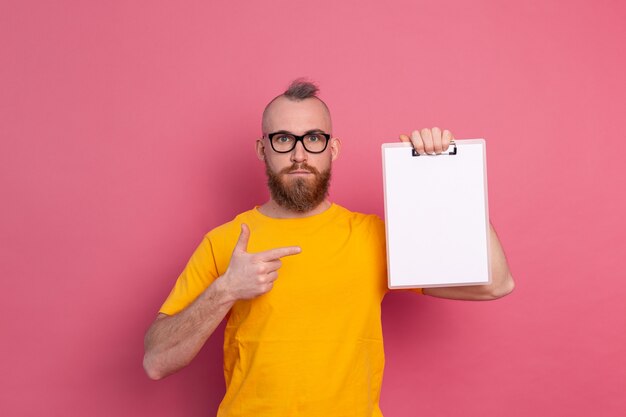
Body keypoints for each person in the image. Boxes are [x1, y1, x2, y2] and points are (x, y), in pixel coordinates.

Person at [143, 79, 515, 416]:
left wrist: (451, 176)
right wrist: (226, 289)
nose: (299, 154)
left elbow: (495, 283)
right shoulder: (224, 241)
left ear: (333, 148)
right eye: (284, 139)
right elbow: (156, 361)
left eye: (314, 138)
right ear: (262, 149)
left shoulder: (373, 237)